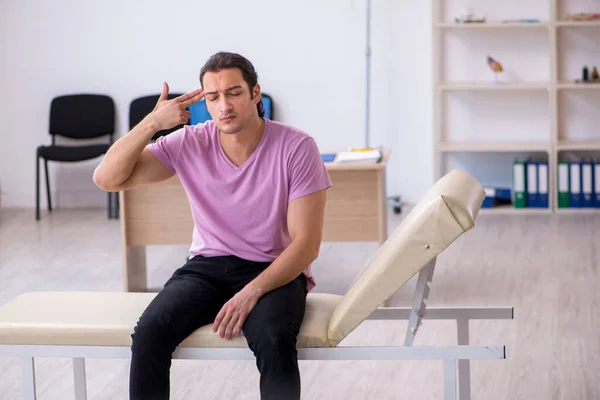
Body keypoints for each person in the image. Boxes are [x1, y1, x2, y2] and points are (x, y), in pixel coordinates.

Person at [93, 51, 333, 400]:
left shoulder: (297, 147)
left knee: (273, 337)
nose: (224, 105)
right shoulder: (190, 142)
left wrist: (250, 292)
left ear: (255, 93)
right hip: (208, 267)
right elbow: (106, 178)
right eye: (213, 96)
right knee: (150, 332)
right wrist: (151, 124)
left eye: (234, 92)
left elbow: (306, 244)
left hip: (275, 270)